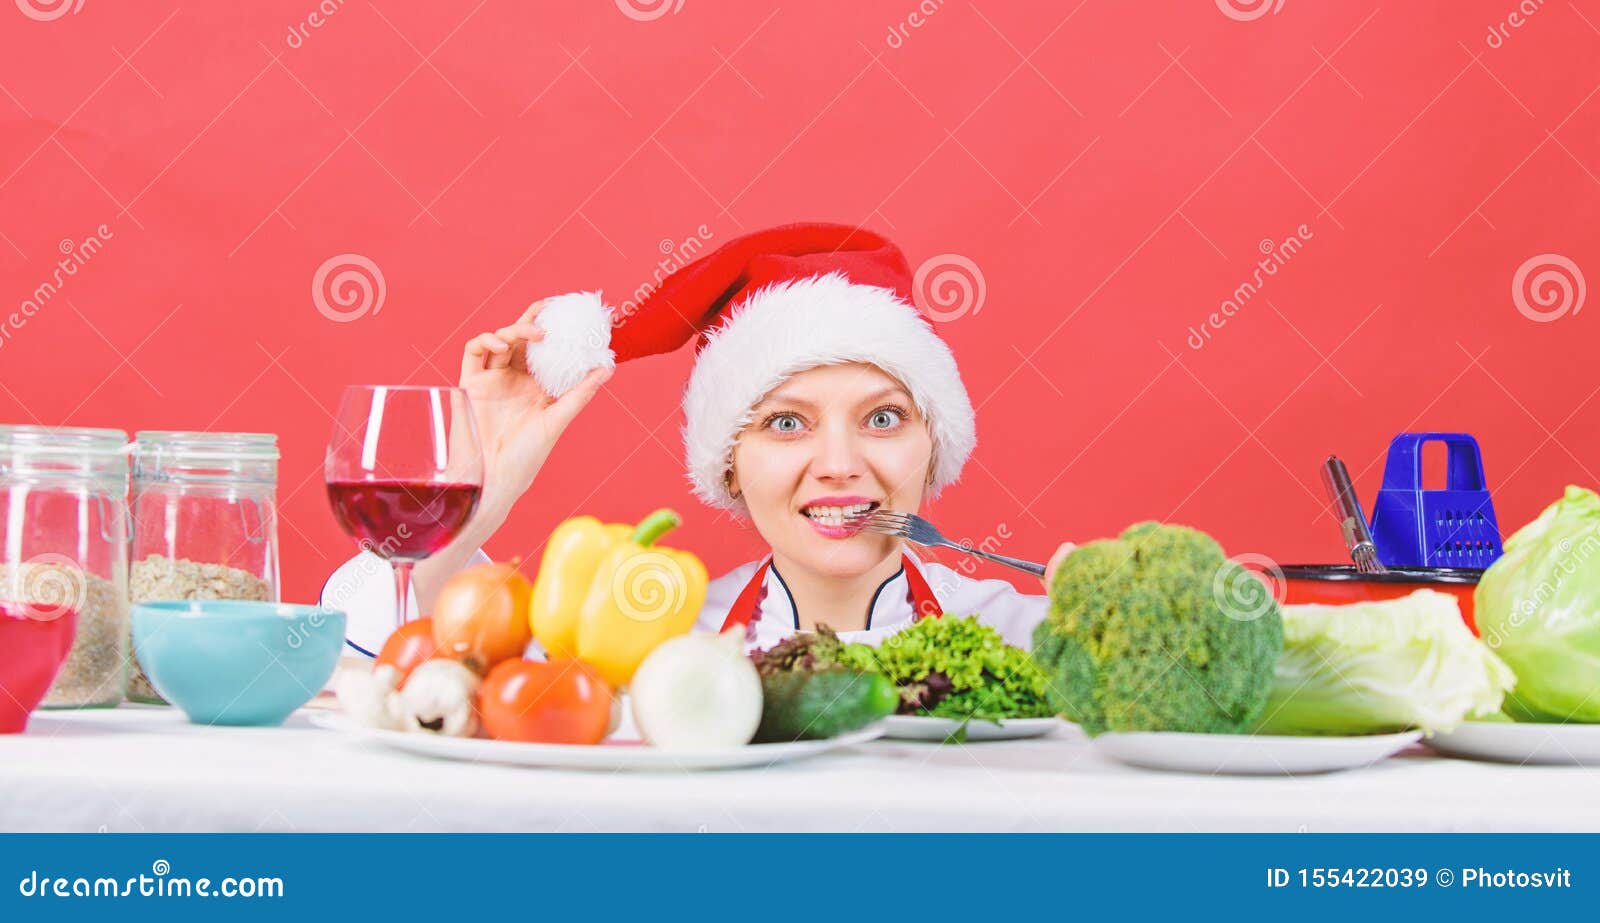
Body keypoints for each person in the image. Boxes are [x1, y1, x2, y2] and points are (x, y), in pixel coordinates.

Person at [324, 223, 1073, 656]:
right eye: (787, 422)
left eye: (883, 418)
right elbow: (376, 643)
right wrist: (478, 490)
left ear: (932, 444)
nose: (841, 466)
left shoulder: (1024, 631)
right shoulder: (653, 632)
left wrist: (1137, 607)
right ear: (731, 464)